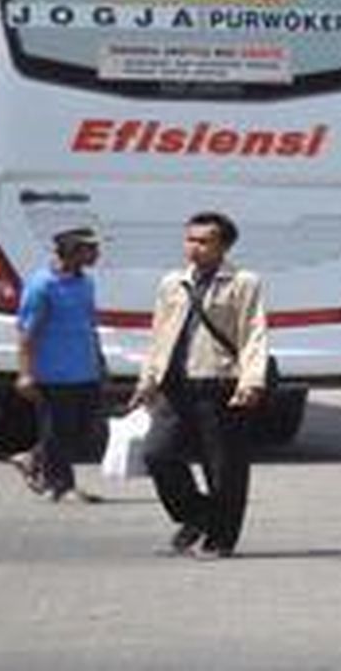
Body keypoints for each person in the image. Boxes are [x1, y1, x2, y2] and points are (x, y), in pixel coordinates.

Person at [130, 212, 270, 559]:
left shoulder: (243, 282)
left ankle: (221, 539)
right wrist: (147, 380)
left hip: (220, 385)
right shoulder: (173, 283)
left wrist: (251, 381)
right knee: (157, 454)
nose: (194, 247)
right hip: (176, 387)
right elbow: (159, 335)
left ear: (223, 246)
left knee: (224, 468)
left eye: (204, 241)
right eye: (190, 239)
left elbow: (254, 333)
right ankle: (198, 514)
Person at [12, 227, 106, 502]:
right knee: (57, 429)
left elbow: (90, 323)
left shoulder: (85, 282)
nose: (96, 255)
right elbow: (27, 332)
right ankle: (60, 485)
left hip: (84, 368)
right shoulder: (42, 285)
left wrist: (99, 360)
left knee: (83, 429)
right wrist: (26, 373)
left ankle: (31, 457)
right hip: (53, 372)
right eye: (90, 249)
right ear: (71, 252)